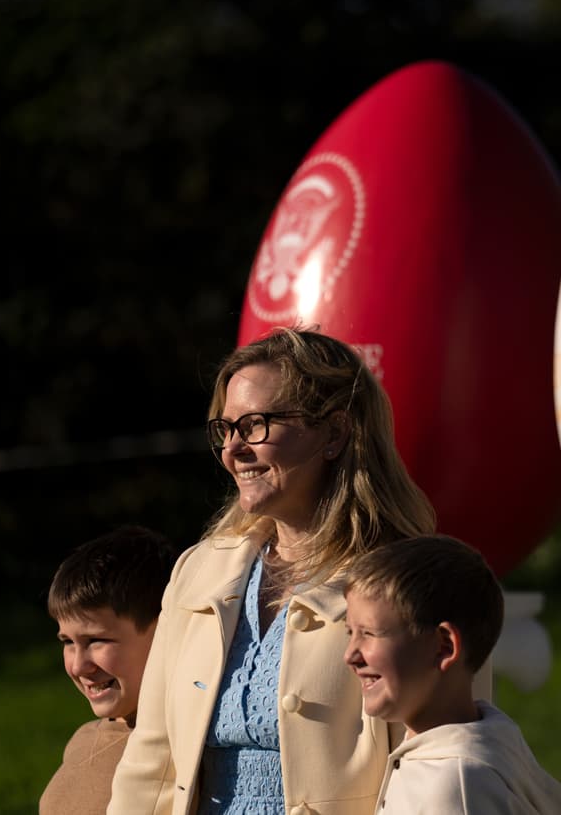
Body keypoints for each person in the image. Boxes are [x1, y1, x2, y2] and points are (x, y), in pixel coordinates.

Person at [109, 327, 436, 815]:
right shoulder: (199, 573)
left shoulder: (411, 580)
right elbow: (151, 761)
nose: (232, 449)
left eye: (256, 425)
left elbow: (434, 766)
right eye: (225, 429)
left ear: (334, 433)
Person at [343, 535, 561, 815]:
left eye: (369, 633)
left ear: (444, 646)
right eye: (350, 632)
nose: (350, 655)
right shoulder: (483, 743)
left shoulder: (455, 789)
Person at [40, 525, 177, 815]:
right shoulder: (83, 739)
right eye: (67, 641)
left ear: (163, 631)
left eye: (96, 640)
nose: (78, 665)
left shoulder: (186, 751)